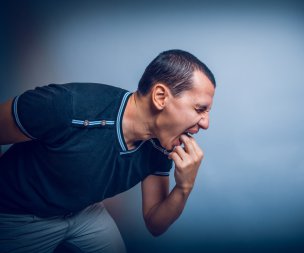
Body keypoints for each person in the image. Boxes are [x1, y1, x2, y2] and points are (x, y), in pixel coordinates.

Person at [0, 49, 216, 253]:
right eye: (200, 109)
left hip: (83, 211)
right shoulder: (67, 105)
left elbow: (155, 223)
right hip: (19, 215)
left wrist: (184, 186)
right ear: (160, 96)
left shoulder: (161, 143)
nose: (206, 123)